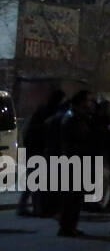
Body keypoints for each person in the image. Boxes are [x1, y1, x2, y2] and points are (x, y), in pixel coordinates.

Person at [54, 91, 95, 237]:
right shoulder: (72, 118)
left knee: (75, 196)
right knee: (72, 196)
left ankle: (70, 225)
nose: (90, 104)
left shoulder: (76, 117)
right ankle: (67, 226)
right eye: (88, 101)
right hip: (73, 161)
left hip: (75, 159)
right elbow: (80, 138)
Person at [18, 88, 63, 218]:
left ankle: (27, 205)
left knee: (33, 180)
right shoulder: (50, 114)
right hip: (39, 149)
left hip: (34, 148)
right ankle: (37, 208)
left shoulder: (42, 112)